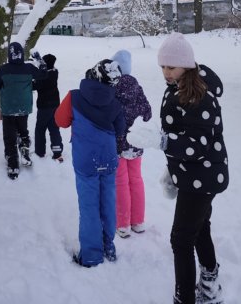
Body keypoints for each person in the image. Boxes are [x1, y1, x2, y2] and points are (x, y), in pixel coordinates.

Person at [158, 32, 228, 304]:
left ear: (186, 65)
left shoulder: (199, 96)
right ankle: (209, 286)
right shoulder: (179, 87)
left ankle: (185, 298)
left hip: (202, 177)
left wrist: (163, 142)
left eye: (171, 66)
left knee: (181, 239)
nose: (166, 72)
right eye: (163, 66)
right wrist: (173, 169)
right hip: (194, 174)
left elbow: (197, 145)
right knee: (199, 228)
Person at [55, 59, 126, 267]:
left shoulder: (74, 97)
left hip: (86, 161)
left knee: (89, 207)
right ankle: (108, 247)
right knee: (108, 203)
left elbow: (60, 121)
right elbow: (120, 129)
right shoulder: (115, 102)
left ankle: (92, 254)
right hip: (108, 159)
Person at [0, 42, 46, 180]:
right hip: (23, 108)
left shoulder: (3, 70)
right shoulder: (29, 68)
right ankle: (24, 150)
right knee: (23, 131)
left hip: (8, 109)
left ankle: (13, 164)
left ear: (9, 54)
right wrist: (40, 60)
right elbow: (43, 74)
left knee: (9, 136)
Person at [111, 49, 152, 239]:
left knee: (120, 182)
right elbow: (147, 112)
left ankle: (123, 224)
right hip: (136, 142)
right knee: (136, 180)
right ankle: (138, 221)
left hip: (118, 144)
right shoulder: (136, 86)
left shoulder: (112, 87)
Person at [33, 53, 63, 161]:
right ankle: (57, 152)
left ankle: (39, 152)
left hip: (44, 106)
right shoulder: (55, 72)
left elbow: (34, 85)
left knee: (40, 129)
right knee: (54, 128)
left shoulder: (43, 76)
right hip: (55, 106)